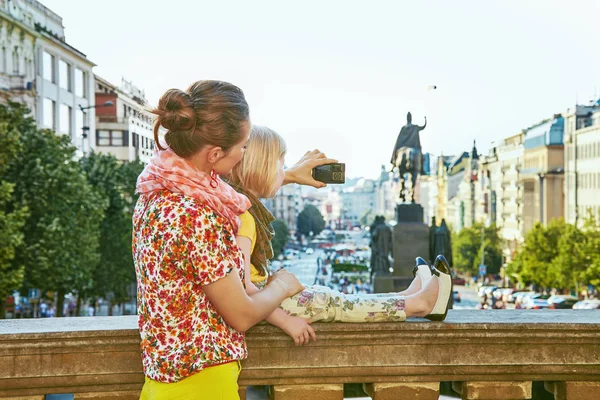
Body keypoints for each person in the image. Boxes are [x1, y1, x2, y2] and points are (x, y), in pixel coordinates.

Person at [133, 81, 326, 399]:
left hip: (162, 377)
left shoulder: (157, 190)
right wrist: (282, 285)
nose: (245, 155)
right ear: (215, 153)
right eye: (244, 146)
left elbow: (233, 183)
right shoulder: (197, 214)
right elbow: (241, 315)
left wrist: (288, 173)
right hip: (202, 380)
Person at [227, 126, 453, 346]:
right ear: (262, 168)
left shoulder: (238, 208)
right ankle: (420, 304)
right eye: (280, 165)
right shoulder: (244, 218)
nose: (284, 172)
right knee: (341, 304)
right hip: (271, 306)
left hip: (271, 301)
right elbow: (245, 289)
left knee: (338, 299)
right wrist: (285, 321)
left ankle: (407, 297)